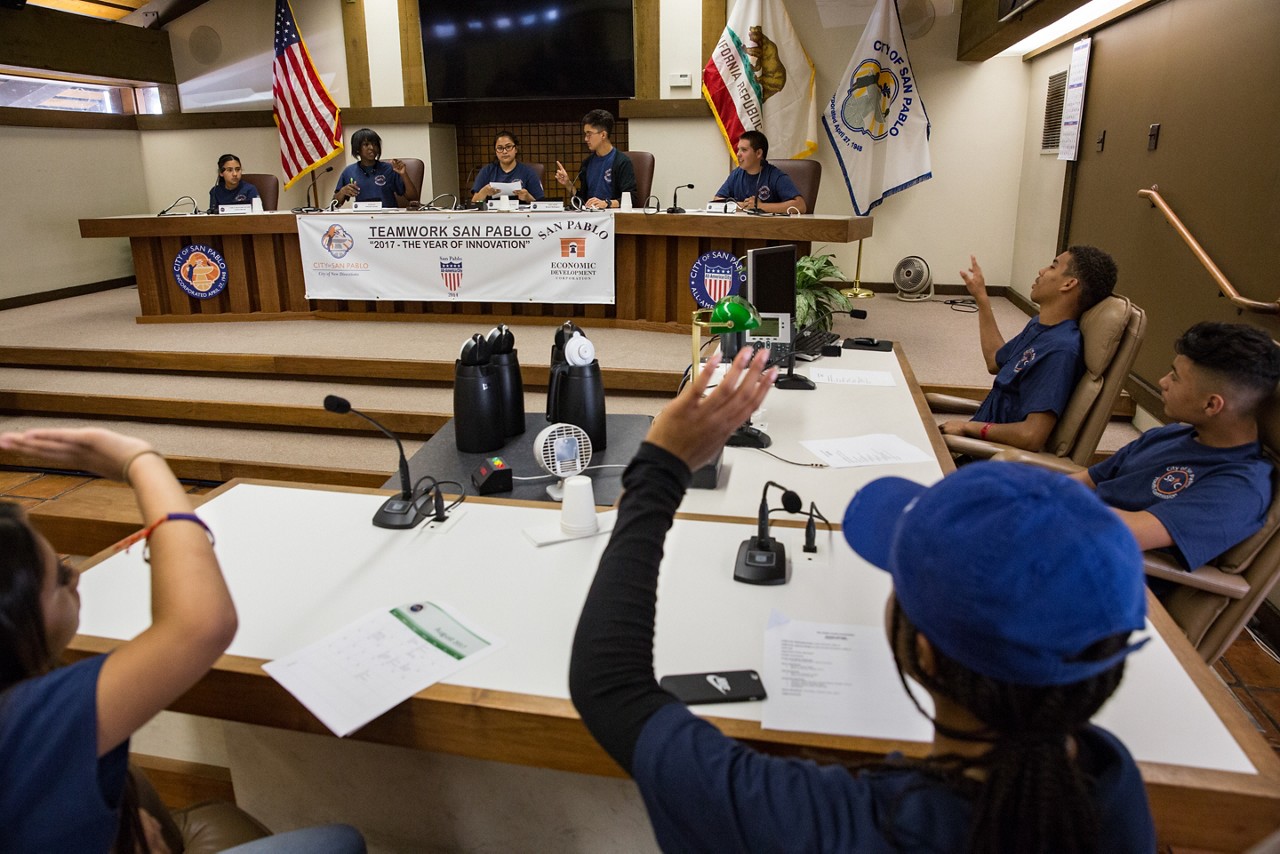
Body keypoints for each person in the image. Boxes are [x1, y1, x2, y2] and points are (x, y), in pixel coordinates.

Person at [569, 348, 1154, 853]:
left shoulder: (829, 825)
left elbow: (611, 688)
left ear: (922, 653)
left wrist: (660, 468)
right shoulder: (1114, 781)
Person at [0, 427, 365, 853]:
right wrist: (140, 461)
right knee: (340, 843)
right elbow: (199, 624)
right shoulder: (25, 721)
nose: (76, 575)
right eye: (61, 577)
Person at [1069, 321, 1280, 572]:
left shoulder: (1239, 488)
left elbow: (1121, 533)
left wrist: (1042, 508)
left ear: (1212, 405)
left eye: (1175, 377)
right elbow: (1088, 480)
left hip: (1099, 575)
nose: (1163, 381)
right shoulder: (1169, 435)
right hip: (1070, 542)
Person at [940, 246, 1118, 452]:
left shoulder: (1060, 351)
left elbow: (1031, 436)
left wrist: (968, 428)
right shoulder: (1039, 326)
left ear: (1069, 283)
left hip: (991, 460)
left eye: (1053, 266)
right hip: (973, 445)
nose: (1042, 271)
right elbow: (994, 360)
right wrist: (982, 298)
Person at [553, 109, 636, 210]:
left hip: (613, 217)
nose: (586, 139)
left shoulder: (622, 162)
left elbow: (632, 198)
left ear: (603, 135)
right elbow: (583, 200)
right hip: (590, 218)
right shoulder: (586, 164)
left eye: (589, 134)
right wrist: (568, 184)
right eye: (585, 134)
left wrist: (607, 203)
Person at [711, 130, 805, 214]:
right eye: (738, 149)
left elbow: (801, 206)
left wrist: (760, 206)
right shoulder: (736, 174)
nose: (738, 154)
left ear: (758, 153)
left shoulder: (776, 176)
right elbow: (717, 201)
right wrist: (744, 205)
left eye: (744, 150)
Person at [333, 128, 420, 209]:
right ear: (357, 149)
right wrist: (342, 192)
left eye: (375, 144)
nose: (372, 148)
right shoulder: (349, 171)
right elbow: (335, 204)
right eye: (366, 145)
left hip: (388, 219)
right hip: (362, 219)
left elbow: (413, 198)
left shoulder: (389, 169)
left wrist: (403, 174)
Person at [471, 131, 545, 205]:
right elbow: (473, 203)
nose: (504, 151)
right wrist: (484, 192)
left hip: (521, 215)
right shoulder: (486, 171)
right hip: (494, 215)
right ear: (495, 151)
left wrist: (528, 197)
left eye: (508, 147)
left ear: (516, 149)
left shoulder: (528, 172)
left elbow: (541, 204)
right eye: (500, 148)